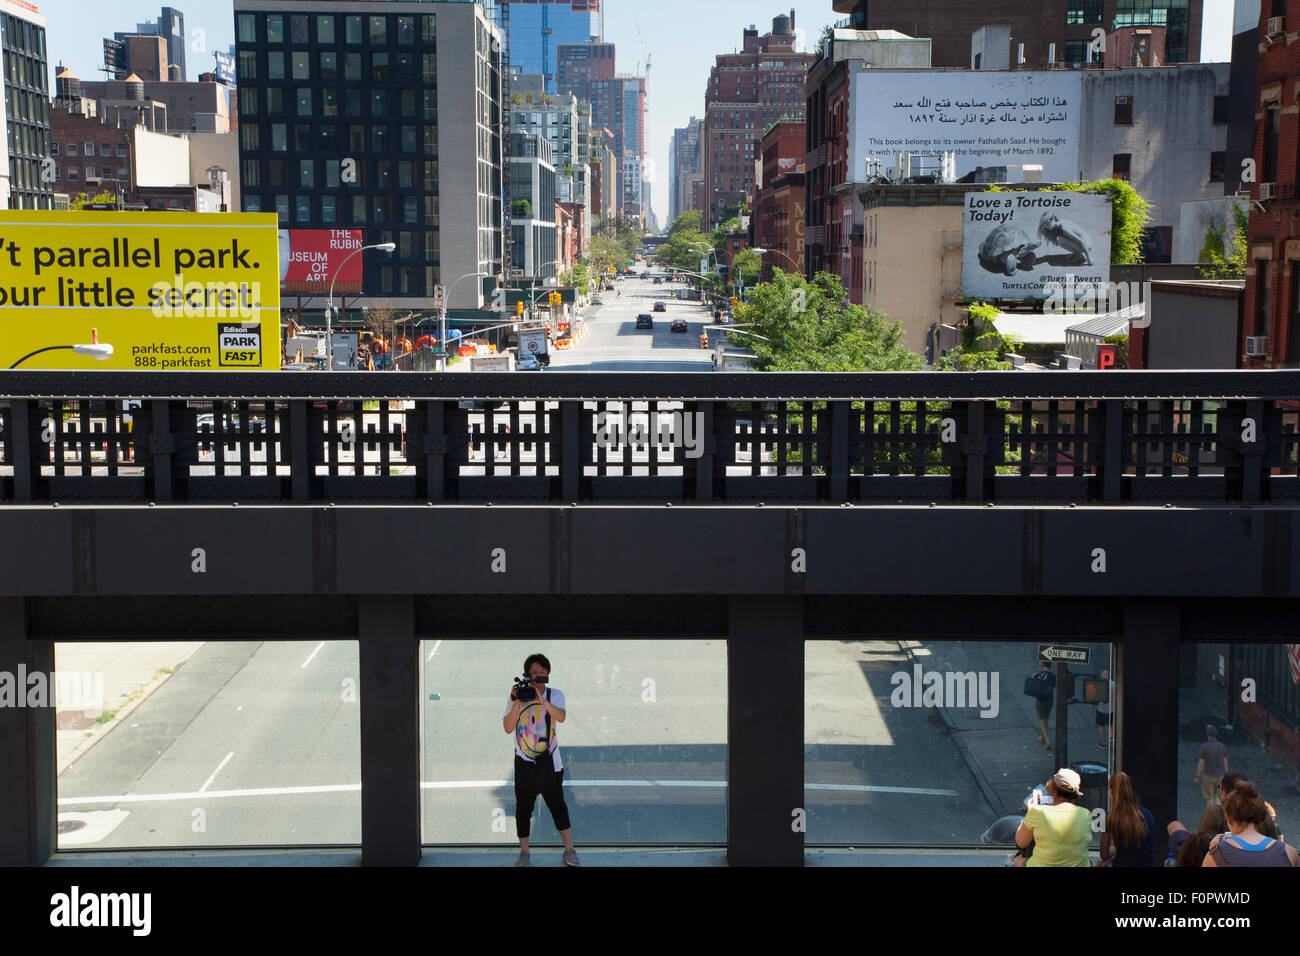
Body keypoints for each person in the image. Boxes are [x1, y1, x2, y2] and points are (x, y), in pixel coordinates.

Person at [502, 653, 579, 867]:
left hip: (550, 762)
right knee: (523, 809)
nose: (537, 677)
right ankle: (524, 852)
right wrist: (517, 702)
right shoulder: (515, 696)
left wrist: (541, 700)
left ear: (548, 676)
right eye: (533, 673)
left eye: (542, 673)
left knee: (558, 806)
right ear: (526, 674)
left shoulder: (555, 695)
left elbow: (561, 717)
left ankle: (569, 850)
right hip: (524, 761)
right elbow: (508, 728)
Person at [1203, 780, 1299, 867]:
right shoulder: (1289, 852)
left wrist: (1213, 849)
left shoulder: (1216, 855)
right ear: (1261, 816)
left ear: (1228, 818)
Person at [1016, 768, 1093, 867]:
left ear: (1053, 789)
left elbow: (1021, 843)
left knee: (1017, 860)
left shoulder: (1038, 812)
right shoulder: (1086, 814)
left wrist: (1030, 812)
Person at [1098, 771, 1155, 867]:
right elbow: (1146, 849)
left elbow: (1104, 854)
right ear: (1131, 792)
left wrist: (1115, 853)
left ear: (1111, 793)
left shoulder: (1110, 818)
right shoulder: (1147, 814)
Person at [1194, 724, 1228, 809]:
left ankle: (1211, 816)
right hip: (1220, 776)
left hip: (1208, 776)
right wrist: (1226, 774)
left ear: (1207, 734)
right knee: (1217, 797)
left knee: (1210, 799)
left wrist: (1197, 777)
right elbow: (1225, 762)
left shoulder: (1204, 747)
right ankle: (1219, 816)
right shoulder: (1222, 746)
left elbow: (1201, 764)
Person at [1031, 660, 1055, 752]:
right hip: (1050, 700)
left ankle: (1047, 740)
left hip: (1040, 700)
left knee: (1041, 720)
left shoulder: (1039, 674)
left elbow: (1032, 681)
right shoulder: (1053, 676)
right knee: (1045, 718)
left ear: (1043, 665)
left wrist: (1038, 672)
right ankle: (1042, 736)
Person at [1093, 669, 1113, 750]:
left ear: (1102, 676)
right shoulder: (1114, 684)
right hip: (1111, 709)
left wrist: (1092, 707)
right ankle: (1112, 742)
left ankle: (1103, 743)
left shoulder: (1098, 685)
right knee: (1110, 725)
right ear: (1109, 676)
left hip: (1100, 709)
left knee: (1101, 725)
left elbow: (1094, 697)